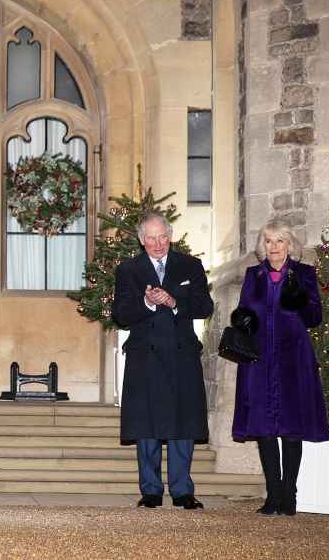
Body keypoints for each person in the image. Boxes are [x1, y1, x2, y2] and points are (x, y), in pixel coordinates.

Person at [112, 213, 214, 510]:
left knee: (183, 424)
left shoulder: (190, 265)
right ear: (142, 240)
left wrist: (173, 302)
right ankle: (151, 490)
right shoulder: (128, 270)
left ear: (170, 236)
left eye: (163, 237)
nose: (158, 243)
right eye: (152, 238)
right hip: (145, 356)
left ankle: (183, 490)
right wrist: (147, 303)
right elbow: (121, 313)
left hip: (181, 354)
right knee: (146, 426)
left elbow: (205, 307)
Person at [231, 219, 329, 516]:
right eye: (269, 241)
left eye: (279, 241)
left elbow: (314, 318)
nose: (273, 247)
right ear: (263, 245)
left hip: (293, 359)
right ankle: (272, 495)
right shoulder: (253, 275)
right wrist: (241, 318)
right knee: (263, 428)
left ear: (289, 244)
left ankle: (289, 494)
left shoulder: (304, 273)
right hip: (260, 359)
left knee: (291, 426)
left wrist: (300, 300)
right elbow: (245, 310)